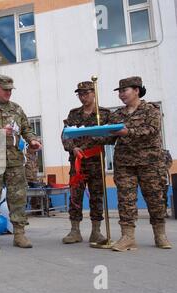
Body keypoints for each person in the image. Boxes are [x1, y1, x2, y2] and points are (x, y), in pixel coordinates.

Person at [0, 75, 42, 250]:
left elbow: (26, 128)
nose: (9, 93)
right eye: (5, 90)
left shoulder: (17, 109)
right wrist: (0, 133)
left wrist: (32, 140)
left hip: (15, 160)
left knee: (18, 197)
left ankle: (19, 234)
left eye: (11, 90)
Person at [109, 76, 172, 251]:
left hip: (150, 162)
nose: (121, 94)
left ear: (136, 90)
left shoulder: (151, 110)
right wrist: (89, 134)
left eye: (124, 90)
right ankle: (127, 237)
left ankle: (160, 235)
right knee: (125, 200)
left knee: (155, 198)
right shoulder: (117, 115)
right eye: (119, 91)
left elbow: (151, 131)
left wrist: (127, 131)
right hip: (124, 163)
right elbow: (110, 136)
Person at [61, 81, 111, 245]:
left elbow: (112, 135)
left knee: (97, 197)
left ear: (93, 93)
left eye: (86, 93)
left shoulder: (103, 114)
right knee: (76, 196)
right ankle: (75, 230)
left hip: (96, 162)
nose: (83, 97)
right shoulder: (74, 114)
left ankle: (96, 231)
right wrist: (72, 148)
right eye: (80, 94)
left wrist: (99, 137)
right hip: (78, 162)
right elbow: (65, 135)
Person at [24, 147, 42, 213]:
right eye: (33, 148)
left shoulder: (36, 157)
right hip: (26, 178)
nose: (35, 150)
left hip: (34, 179)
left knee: (36, 193)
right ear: (29, 149)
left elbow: (37, 167)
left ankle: (35, 208)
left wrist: (37, 176)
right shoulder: (25, 156)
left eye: (35, 149)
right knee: (25, 194)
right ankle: (23, 209)